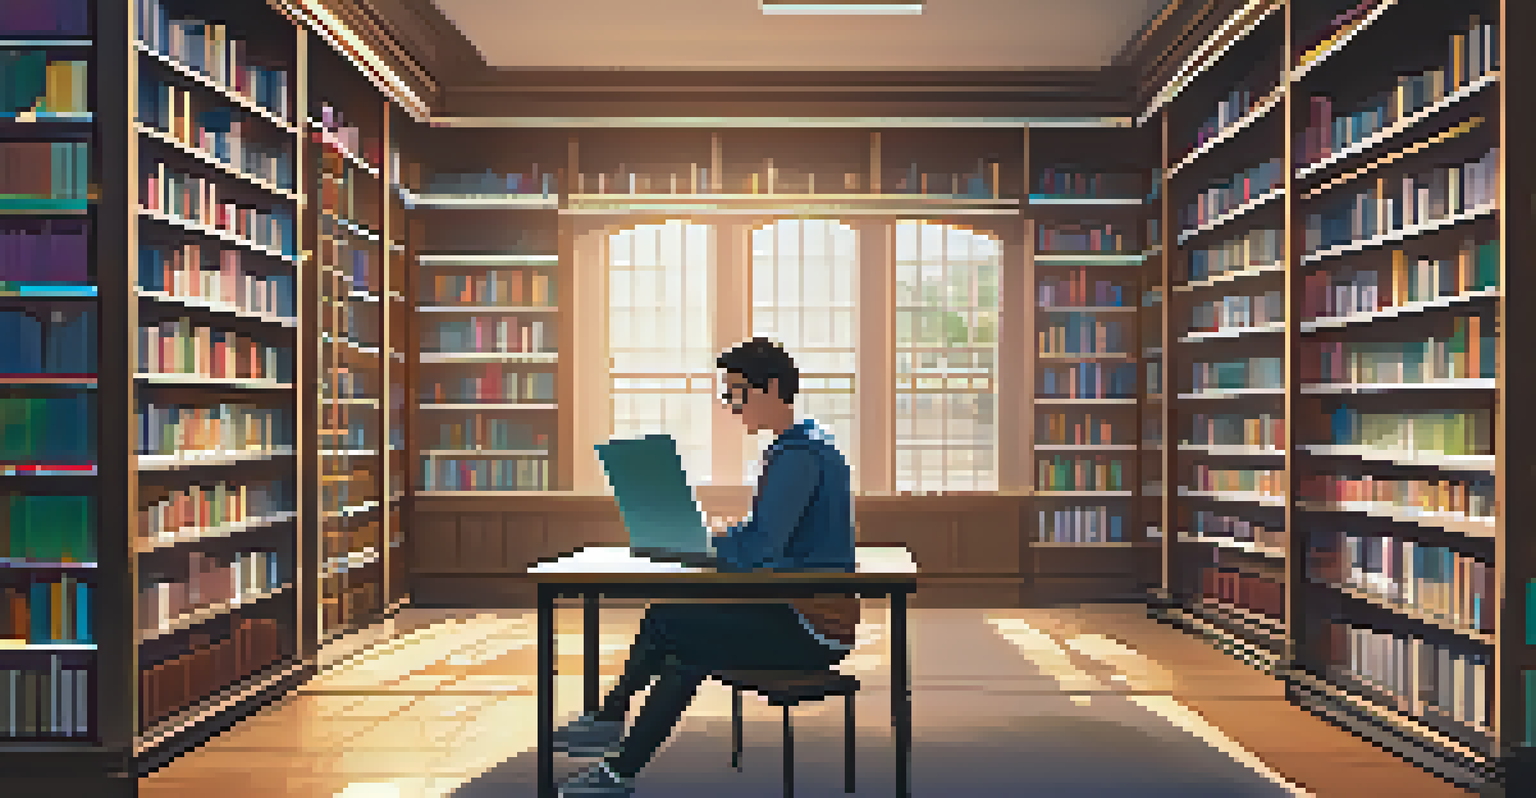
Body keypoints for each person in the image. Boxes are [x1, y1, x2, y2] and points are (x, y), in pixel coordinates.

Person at [555, 337, 860, 797]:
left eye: (738, 393)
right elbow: (773, 539)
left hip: (811, 627)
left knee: (666, 618)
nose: (732, 406)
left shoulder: (799, 457)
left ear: (772, 387)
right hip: (798, 611)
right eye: (728, 395)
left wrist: (702, 546)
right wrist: (715, 540)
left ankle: (608, 725)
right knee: (685, 649)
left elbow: (760, 547)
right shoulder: (808, 444)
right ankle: (615, 763)